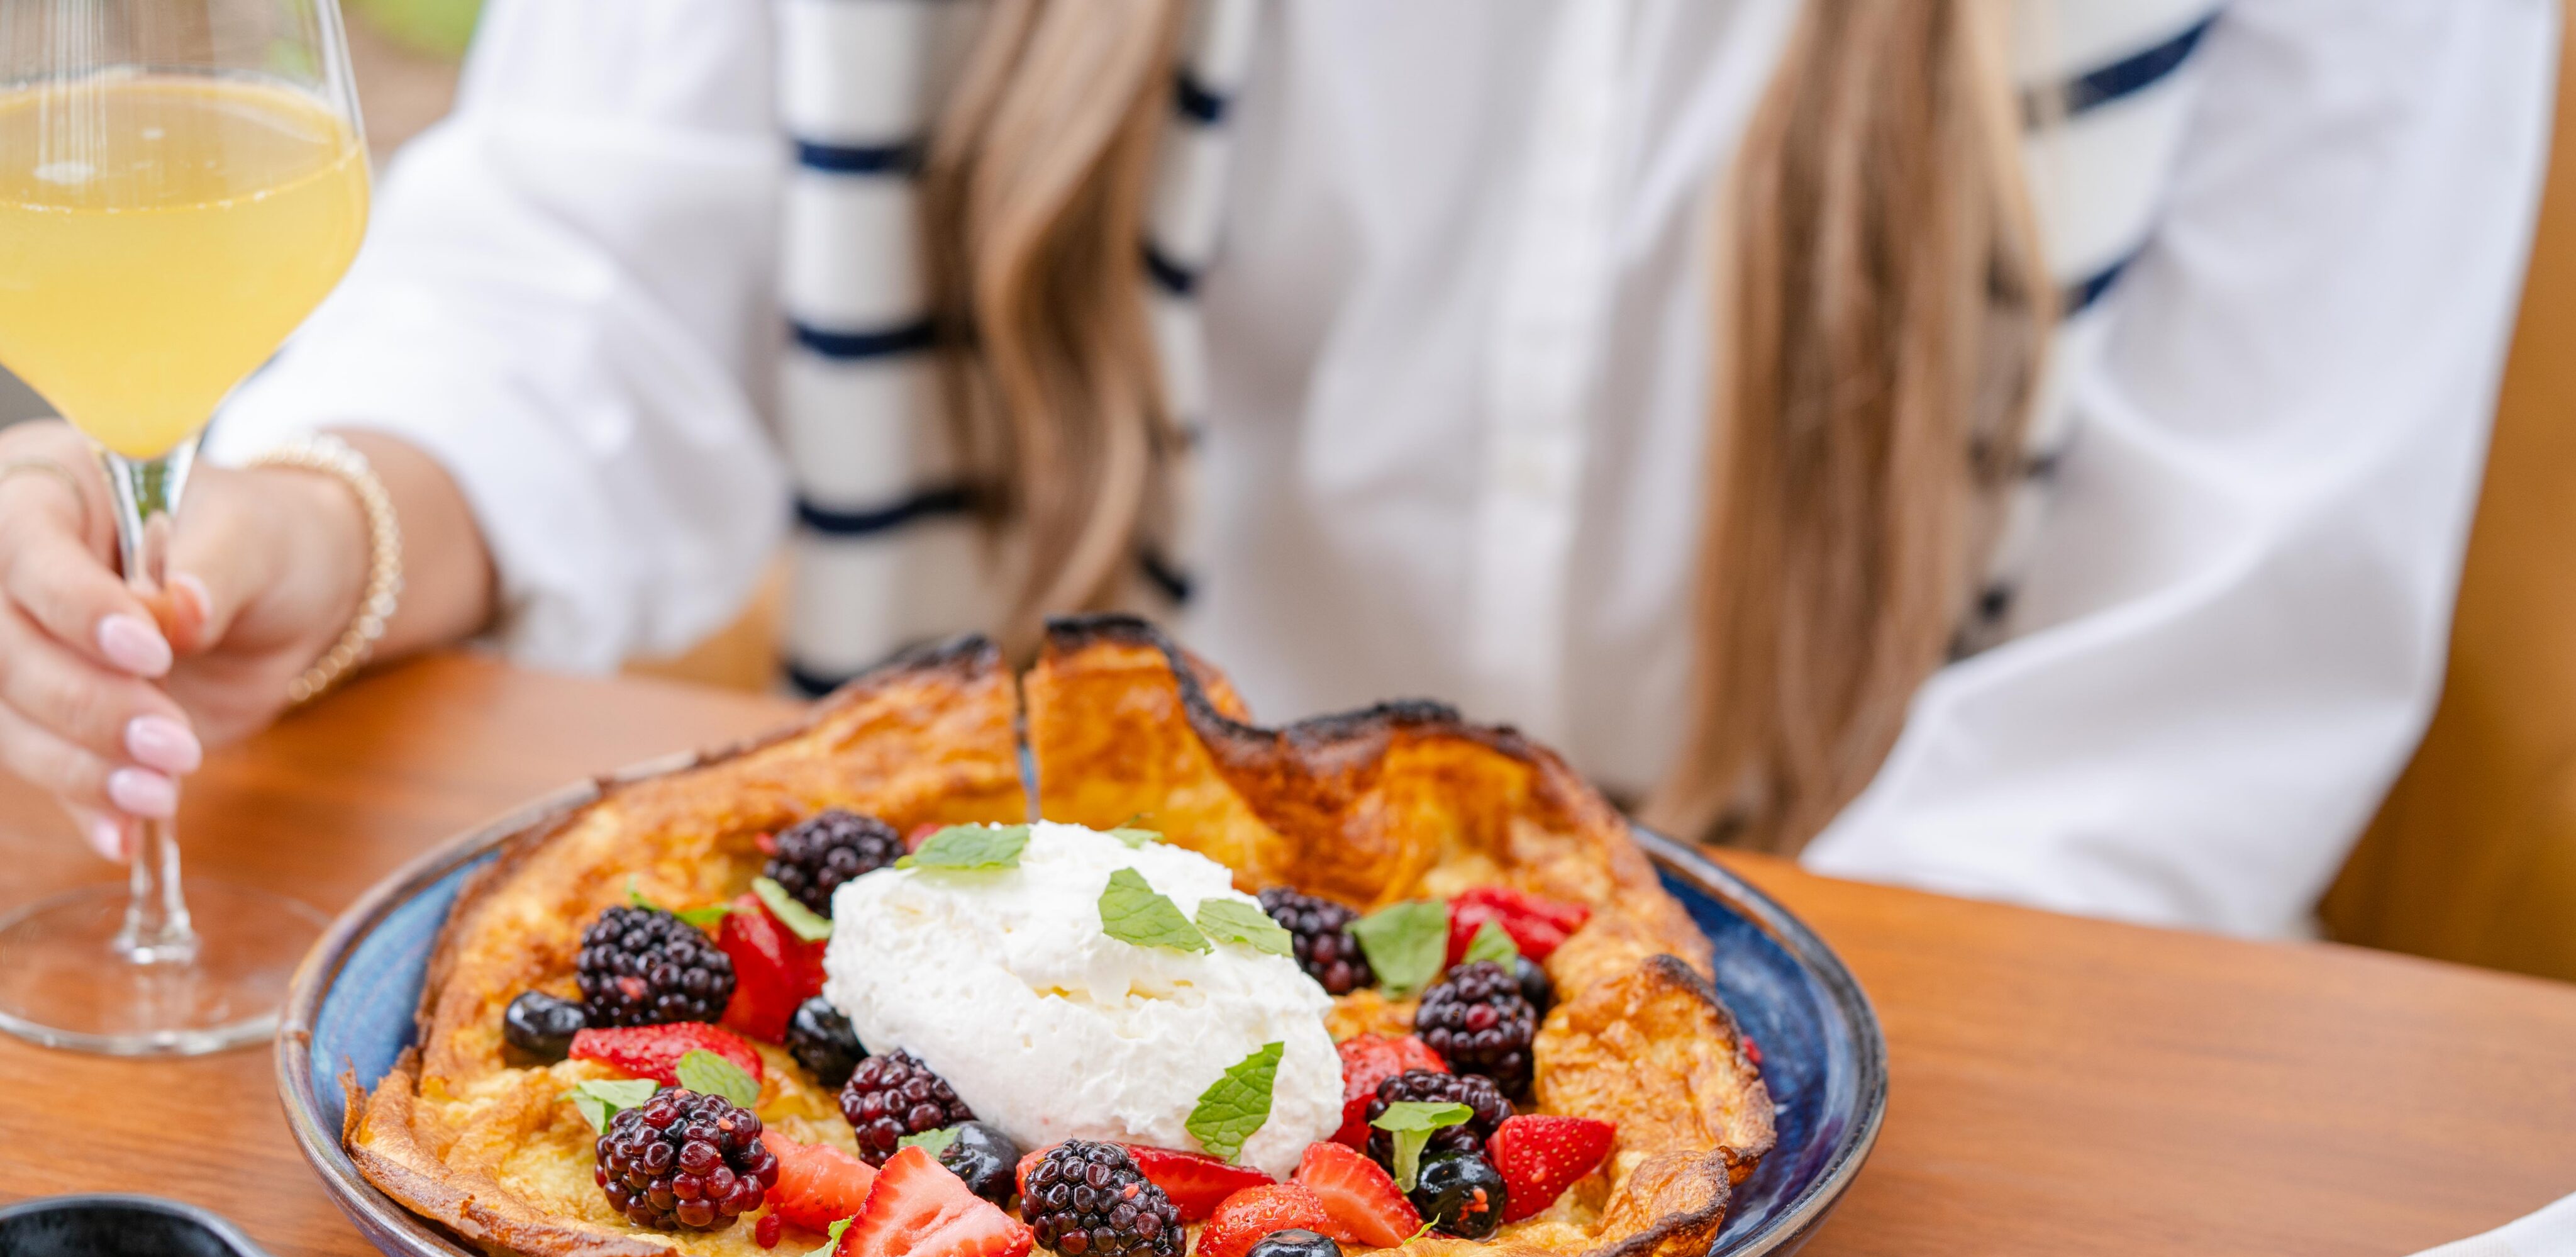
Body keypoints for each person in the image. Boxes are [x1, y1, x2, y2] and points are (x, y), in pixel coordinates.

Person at [0, 0, 2553, 937]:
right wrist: (298, 536)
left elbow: (2172, 721)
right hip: (1009, 1035)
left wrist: (1588, 1080)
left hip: (1915, 1065)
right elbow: (605, 256)